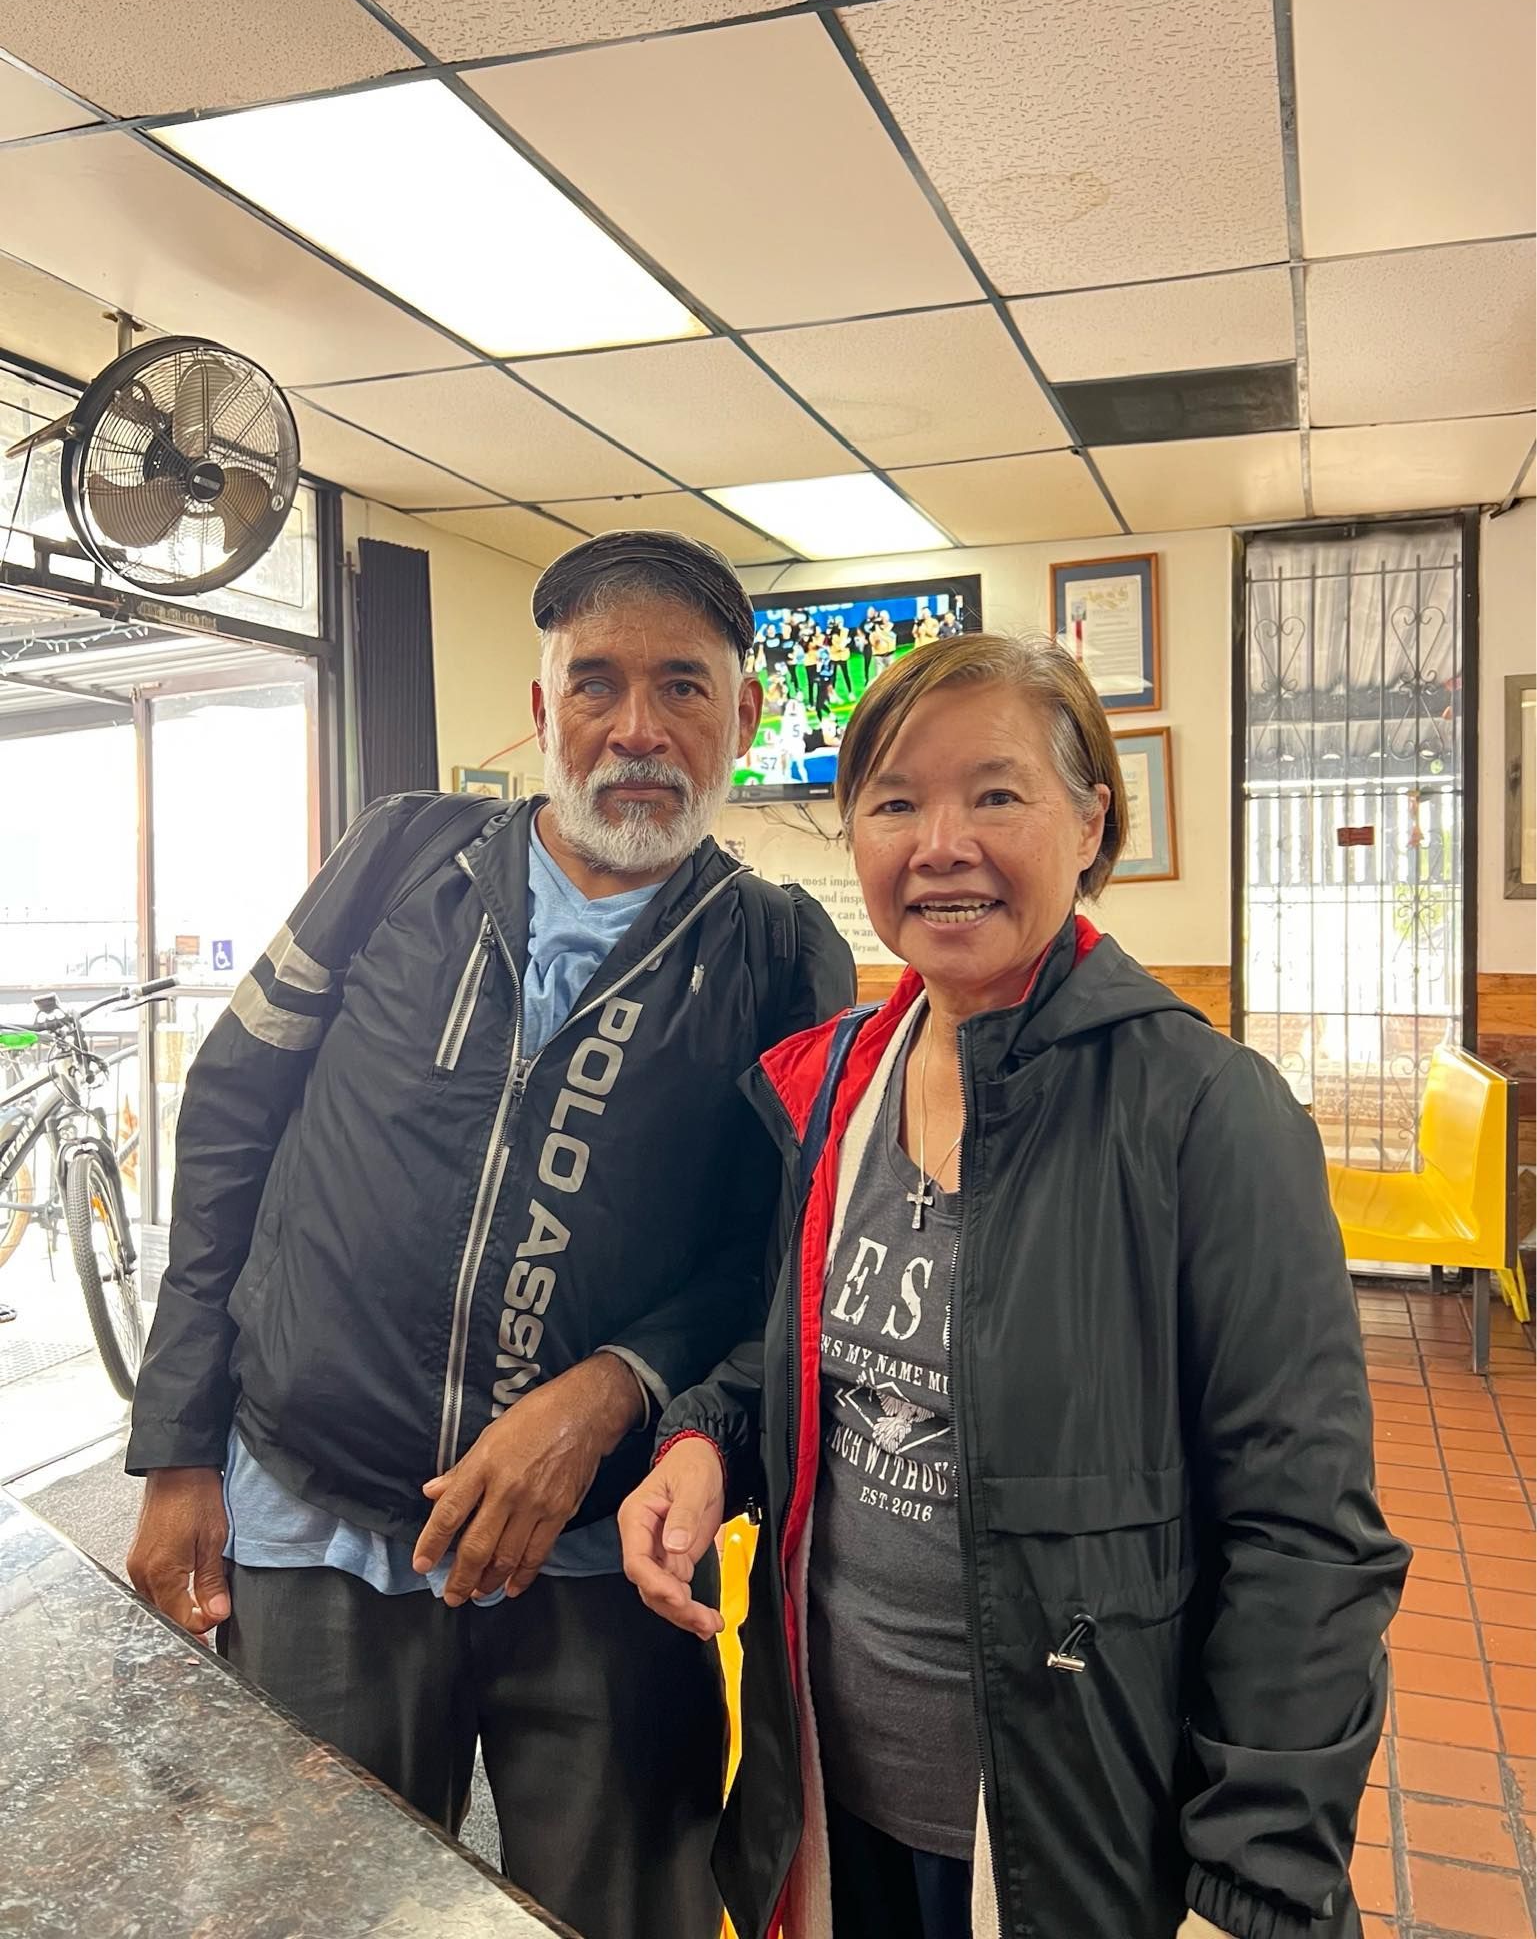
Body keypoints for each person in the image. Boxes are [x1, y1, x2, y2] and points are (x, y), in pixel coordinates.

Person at [124, 530, 856, 1939]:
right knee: (313, 1907)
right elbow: (231, 1121)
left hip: (603, 1558)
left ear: (746, 718)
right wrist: (175, 1445)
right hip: (317, 1518)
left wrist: (613, 1391)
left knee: (618, 1913)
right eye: (595, 682)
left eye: (683, 688)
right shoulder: (401, 854)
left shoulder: (777, 950)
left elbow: (782, 1258)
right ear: (542, 710)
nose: (635, 728)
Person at [621, 631, 1408, 1939]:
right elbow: (812, 1358)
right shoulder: (840, 1087)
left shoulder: (1204, 1116)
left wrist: (1254, 1882)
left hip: (1068, 1826)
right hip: (832, 1790)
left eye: (994, 794)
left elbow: (1305, 1534)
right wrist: (707, 1441)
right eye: (893, 802)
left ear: (1088, 819)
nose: (940, 842)